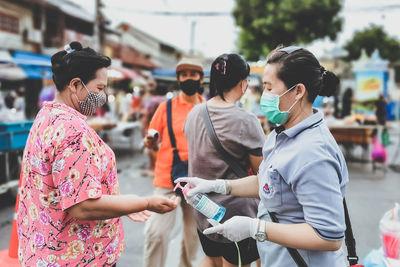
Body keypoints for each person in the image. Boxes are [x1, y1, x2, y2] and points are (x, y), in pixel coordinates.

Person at [177, 46, 349, 267]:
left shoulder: (314, 152)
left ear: (298, 91)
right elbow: (267, 182)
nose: (263, 95)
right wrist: (219, 186)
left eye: (269, 88)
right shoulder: (282, 134)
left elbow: (328, 236)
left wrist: (255, 228)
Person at [16, 41, 179, 267]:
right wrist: (144, 202)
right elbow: (83, 206)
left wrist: (123, 205)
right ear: (75, 84)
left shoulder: (46, 117)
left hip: (45, 252)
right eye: (100, 88)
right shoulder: (72, 131)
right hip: (78, 258)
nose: (103, 96)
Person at [184, 54, 264, 267]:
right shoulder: (246, 121)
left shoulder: (194, 113)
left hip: (203, 211)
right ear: (242, 83)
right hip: (235, 215)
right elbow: (262, 174)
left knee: (211, 259)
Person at [143, 57, 204, 267]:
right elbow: (152, 137)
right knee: (156, 233)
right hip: (166, 179)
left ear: (200, 79)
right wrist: (151, 141)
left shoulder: (207, 109)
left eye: (193, 74)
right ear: (178, 78)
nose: (188, 78)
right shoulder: (165, 108)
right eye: (184, 74)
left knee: (193, 236)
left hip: (197, 181)